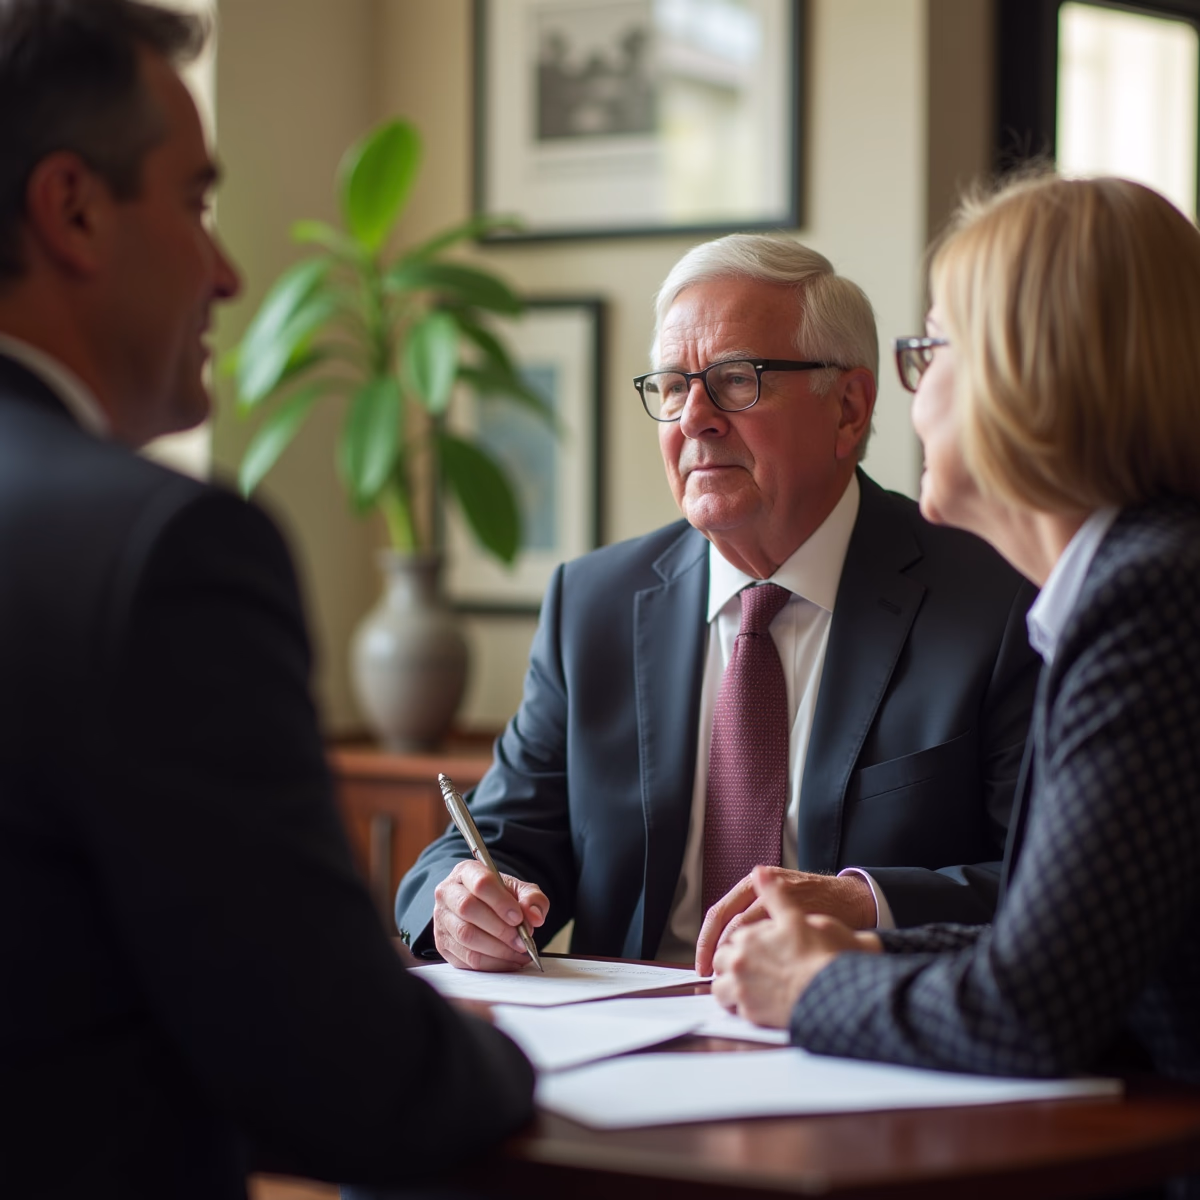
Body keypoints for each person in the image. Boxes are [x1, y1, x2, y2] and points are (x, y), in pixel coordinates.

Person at [0, 2, 533, 1196]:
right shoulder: (163, 553)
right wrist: (497, 1056)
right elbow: (350, 1073)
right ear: (73, 208)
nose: (229, 269)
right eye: (195, 203)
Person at [396, 233, 1041, 975]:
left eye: (737, 379)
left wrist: (867, 902)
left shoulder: (994, 599)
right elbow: (490, 837)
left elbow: (1048, 888)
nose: (694, 418)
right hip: (625, 1048)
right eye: (672, 386)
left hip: (857, 1036)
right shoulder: (595, 604)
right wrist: (459, 901)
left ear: (850, 409)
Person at [710, 175, 1200, 1113]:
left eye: (931, 350)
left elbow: (1032, 1012)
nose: (917, 394)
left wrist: (814, 987)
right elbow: (1051, 946)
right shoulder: (1136, 581)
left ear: (1032, 372)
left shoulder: (1151, 597)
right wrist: (860, 951)